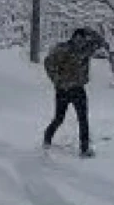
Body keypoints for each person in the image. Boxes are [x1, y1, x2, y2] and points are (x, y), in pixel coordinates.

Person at [43, 28, 104, 158]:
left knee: (83, 119)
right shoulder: (63, 49)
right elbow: (48, 63)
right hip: (63, 90)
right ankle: (47, 139)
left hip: (78, 89)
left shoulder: (85, 50)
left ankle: (84, 148)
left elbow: (100, 42)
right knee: (59, 118)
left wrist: (89, 31)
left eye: (82, 39)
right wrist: (57, 80)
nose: (80, 41)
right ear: (73, 38)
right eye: (78, 38)